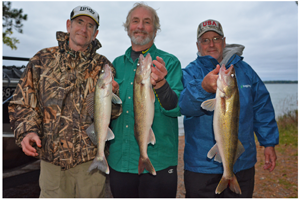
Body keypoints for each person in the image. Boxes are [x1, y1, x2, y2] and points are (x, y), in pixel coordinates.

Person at [8, 5, 122, 198]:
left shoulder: (104, 66)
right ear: (69, 25)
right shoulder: (41, 60)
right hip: (52, 164)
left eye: (90, 26)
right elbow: (22, 103)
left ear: (96, 33)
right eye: (79, 22)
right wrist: (27, 131)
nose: (83, 29)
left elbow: (111, 115)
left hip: (90, 164)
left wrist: (112, 101)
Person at [178, 19, 279, 198]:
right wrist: (202, 89)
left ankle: (229, 174)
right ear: (197, 45)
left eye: (216, 38)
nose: (211, 44)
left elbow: (262, 107)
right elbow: (183, 106)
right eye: (205, 40)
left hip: (242, 162)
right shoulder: (189, 72)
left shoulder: (245, 71)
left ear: (224, 42)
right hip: (201, 166)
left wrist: (269, 142)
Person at [107, 2, 183, 198]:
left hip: (159, 161)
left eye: (147, 22)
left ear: (155, 30)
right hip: (120, 161)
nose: (140, 26)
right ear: (128, 27)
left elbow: (175, 108)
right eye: (135, 21)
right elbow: (108, 113)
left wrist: (162, 84)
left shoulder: (170, 62)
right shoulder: (115, 64)